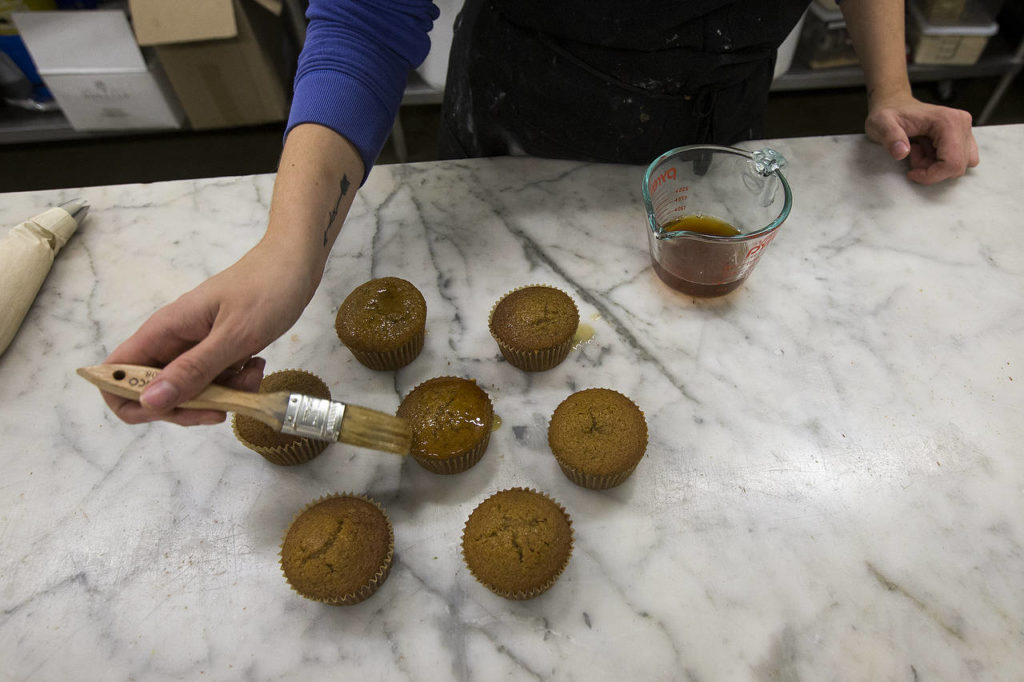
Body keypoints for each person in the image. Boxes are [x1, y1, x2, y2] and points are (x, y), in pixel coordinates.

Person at [101, 0, 979, 426]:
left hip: (719, 108)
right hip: (527, 103)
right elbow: (367, 19)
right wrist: (288, 253)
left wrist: (893, 84)